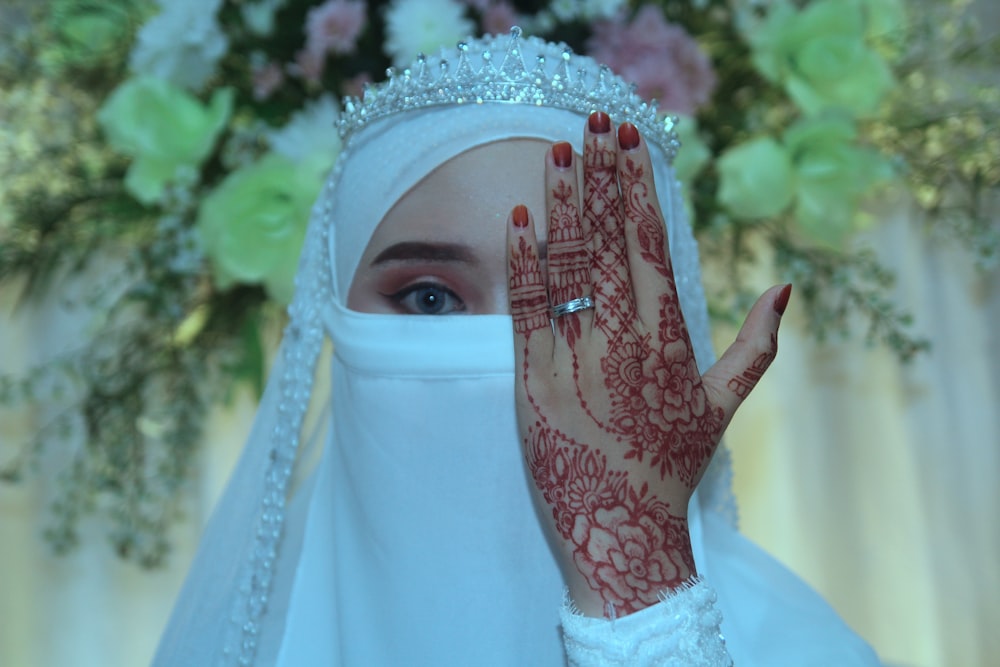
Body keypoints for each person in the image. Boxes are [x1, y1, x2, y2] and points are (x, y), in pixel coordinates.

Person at [154, 30, 881, 666]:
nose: (526, 367)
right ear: (335, 312)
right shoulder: (241, 643)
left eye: (578, 301)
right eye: (430, 297)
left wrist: (639, 599)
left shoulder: (802, 650)